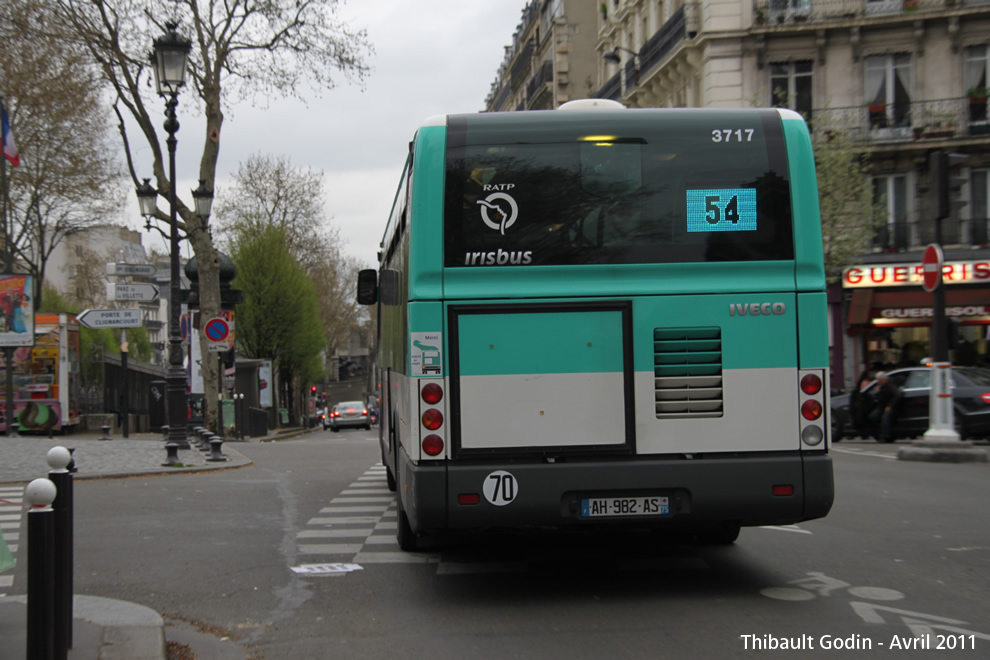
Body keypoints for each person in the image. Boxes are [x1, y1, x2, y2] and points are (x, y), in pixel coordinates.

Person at [872, 371, 902, 443]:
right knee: (873, 417)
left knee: (886, 418)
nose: (878, 382)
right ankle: (876, 432)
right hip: (882, 407)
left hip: (891, 407)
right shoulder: (881, 387)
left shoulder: (890, 386)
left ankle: (885, 435)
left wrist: (890, 406)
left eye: (879, 380)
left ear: (884, 380)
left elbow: (897, 395)